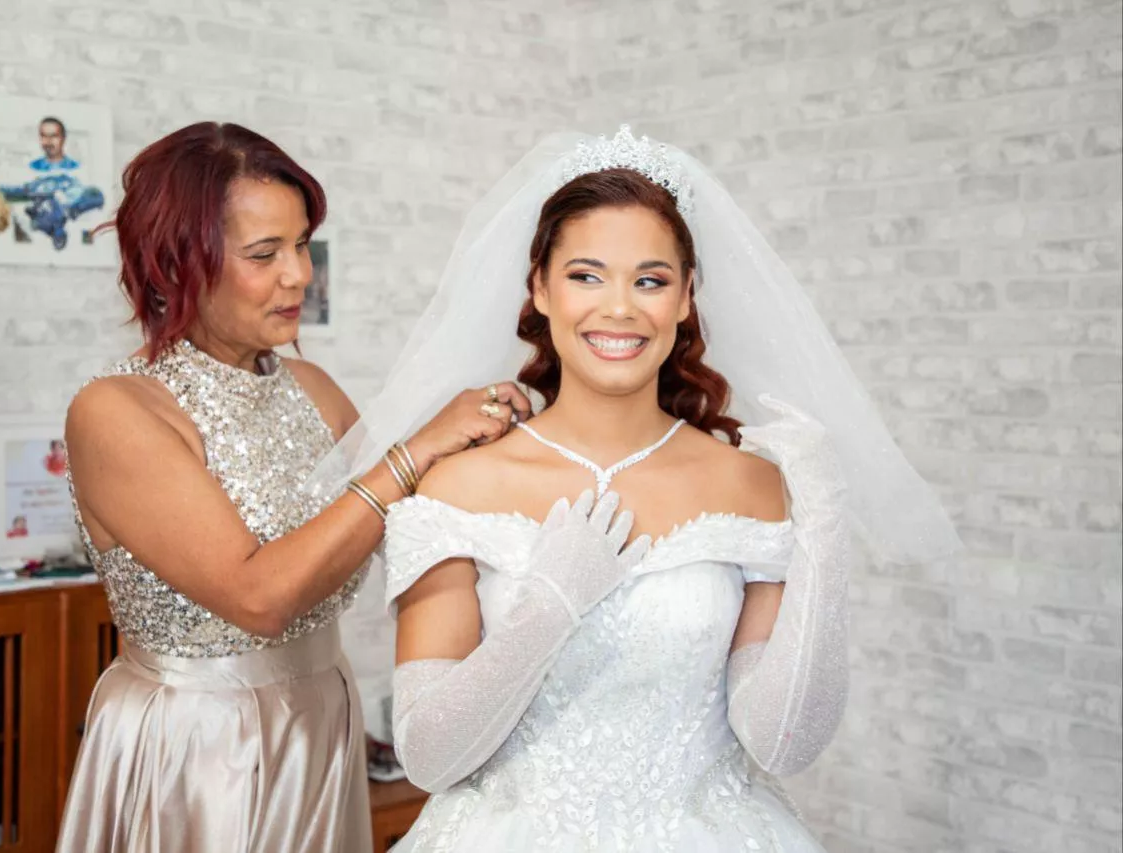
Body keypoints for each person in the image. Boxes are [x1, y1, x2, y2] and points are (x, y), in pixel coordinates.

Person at [315, 127, 960, 851]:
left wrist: (825, 531)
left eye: (650, 280)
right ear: (540, 288)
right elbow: (431, 757)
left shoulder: (747, 481)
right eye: (587, 275)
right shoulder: (460, 483)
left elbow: (782, 742)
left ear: (686, 297)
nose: (619, 307)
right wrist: (549, 607)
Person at [55, 122, 531, 853]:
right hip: (198, 746)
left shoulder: (310, 387)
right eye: (264, 253)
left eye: (302, 244)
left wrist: (523, 433)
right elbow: (259, 597)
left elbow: (418, 516)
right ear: (178, 265)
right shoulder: (117, 411)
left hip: (319, 722)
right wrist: (414, 450)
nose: (300, 274)